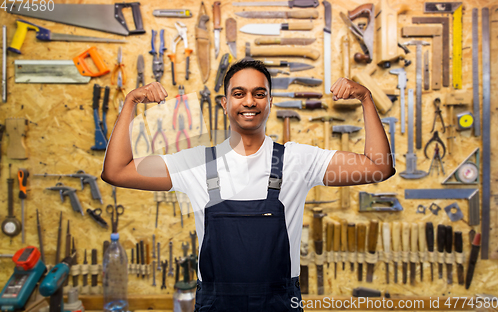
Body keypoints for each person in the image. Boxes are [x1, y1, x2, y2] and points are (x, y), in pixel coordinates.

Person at [101, 60, 395, 312]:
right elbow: (117, 171)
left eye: (259, 93)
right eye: (239, 93)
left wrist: (366, 98)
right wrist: (130, 103)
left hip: (280, 304)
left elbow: (379, 167)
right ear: (224, 103)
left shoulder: (298, 159)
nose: (250, 101)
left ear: (270, 102)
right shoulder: (196, 163)